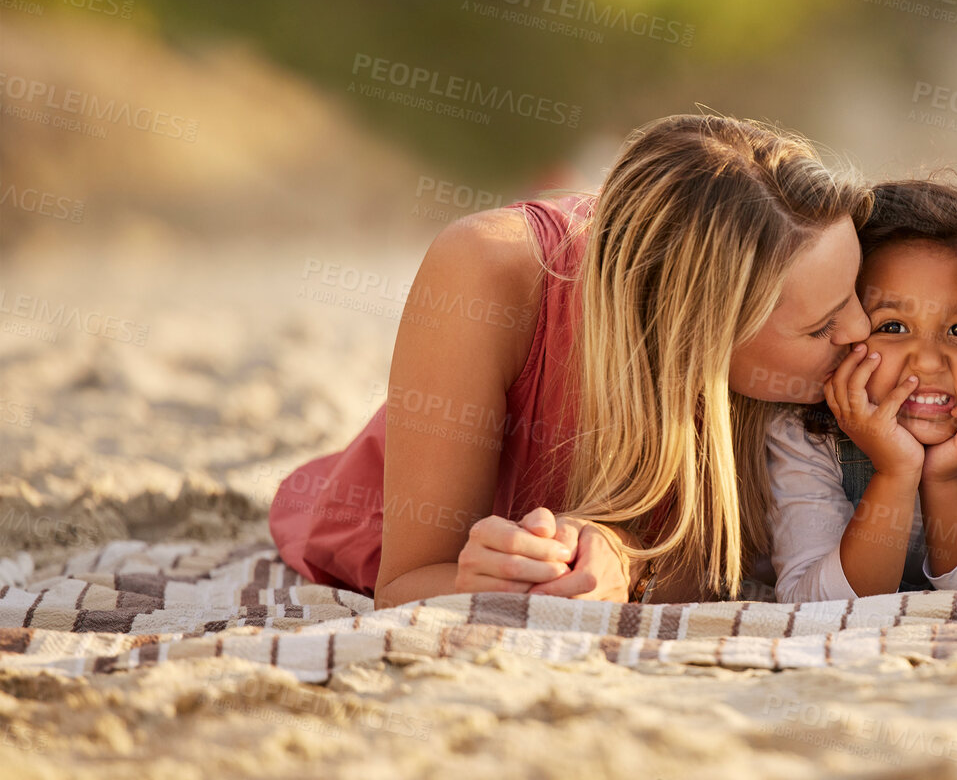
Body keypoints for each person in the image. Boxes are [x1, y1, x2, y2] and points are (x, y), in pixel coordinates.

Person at [270, 115, 875, 606]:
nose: (861, 329)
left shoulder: (792, 353)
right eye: (823, 326)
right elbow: (405, 585)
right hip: (393, 524)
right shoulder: (485, 270)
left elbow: (714, 565)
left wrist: (624, 566)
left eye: (857, 292)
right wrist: (514, 581)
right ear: (700, 332)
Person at [767, 181, 957, 601]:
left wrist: (943, 480)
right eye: (892, 327)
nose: (928, 362)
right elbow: (811, 607)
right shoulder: (802, 428)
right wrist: (895, 472)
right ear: (847, 330)